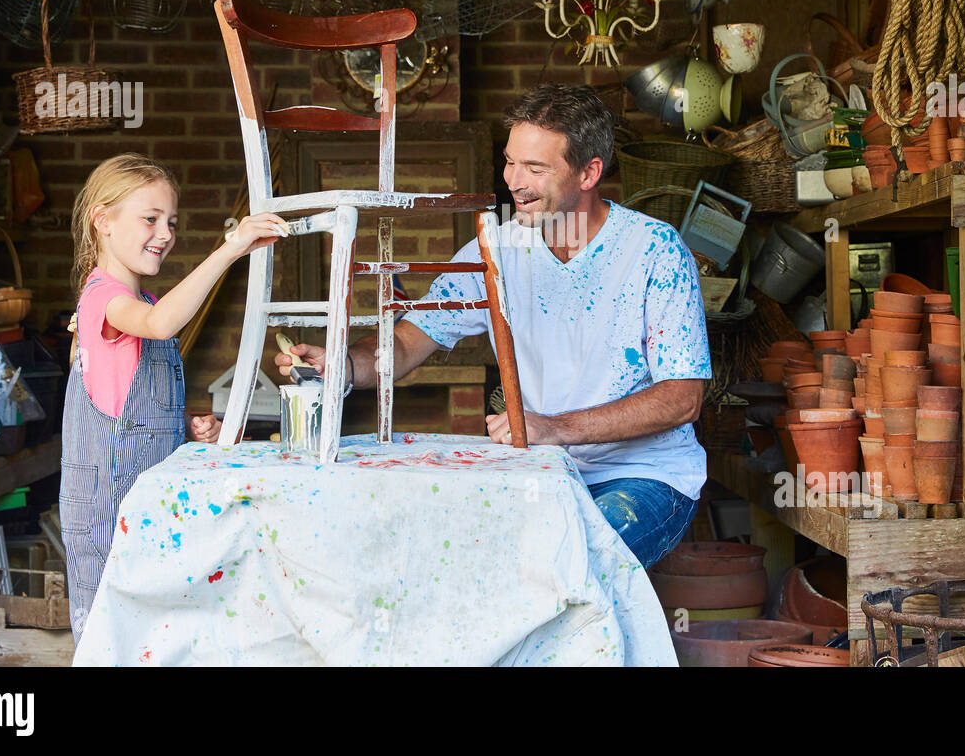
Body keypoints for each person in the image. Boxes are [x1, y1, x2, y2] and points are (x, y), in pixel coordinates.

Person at [276, 85, 710, 568]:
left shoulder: (654, 250)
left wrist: (551, 428)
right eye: (510, 162)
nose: (514, 183)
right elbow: (403, 344)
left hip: (644, 477)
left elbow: (683, 397)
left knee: (570, 564)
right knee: (471, 561)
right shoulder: (496, 250)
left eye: (536, 169)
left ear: (589, 172)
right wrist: (339, 365)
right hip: (545, 470)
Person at [62, 153, 287, 641]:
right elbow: (162, 323)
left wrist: (181, 426)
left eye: (172, 222)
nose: (164, 233)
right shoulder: (103, 297)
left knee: (150, 638)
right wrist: (230, 249)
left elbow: (123, 404)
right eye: (150, 219)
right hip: (106, 508)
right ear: (102, 220)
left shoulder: (140, 302)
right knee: (112, 639)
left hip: (144, 505)